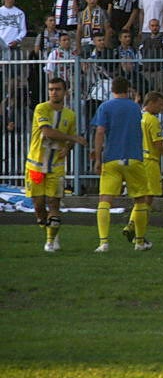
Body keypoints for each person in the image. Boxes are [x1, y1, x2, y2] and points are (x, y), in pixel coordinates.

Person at [24, 78, 87, 252]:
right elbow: (47, 132)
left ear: (65, 92)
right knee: (38, 206)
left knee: (53, 202)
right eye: (51, 89)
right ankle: (50, 231)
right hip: (36, 165)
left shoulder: (70, 115)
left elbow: (70, 138)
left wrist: (68, 147)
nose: (53, 92)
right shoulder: (41, 108)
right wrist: (73, 139)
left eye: (57, 89)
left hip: (57, 167)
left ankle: (51, 241)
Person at [91, 76, 153, 252]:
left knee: (105, 199)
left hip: (111, 158)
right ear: (128, 89)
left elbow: (100, 131)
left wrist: (98, 157)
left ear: (112, 89)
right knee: (140, 199)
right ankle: (139, 242)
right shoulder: (135, 108)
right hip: (134, 158)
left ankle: (103, 242)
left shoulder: (105, 107)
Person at [122, 91, 163, 243]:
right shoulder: (152, 120)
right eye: (160, 104)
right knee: (148, 199)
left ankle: (133, 228)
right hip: (150, 161)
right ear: (152, 102)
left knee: (140, 197)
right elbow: (159, 144)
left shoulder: (136, 118)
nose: (162, 107)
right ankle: (134, 228)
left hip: (136, 160)